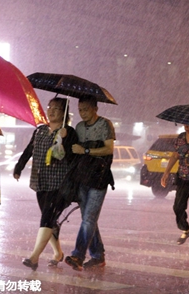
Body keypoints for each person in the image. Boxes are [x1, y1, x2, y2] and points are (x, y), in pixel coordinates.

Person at [14, 97, 78, 271]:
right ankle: (58, 253)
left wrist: (65, 140)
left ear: (64, 113)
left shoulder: (69, 132)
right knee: (48, 219)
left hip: (59, 183)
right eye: (50, 107)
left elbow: (73, 158)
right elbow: (29, 150)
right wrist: (18, 167)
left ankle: (34, 258)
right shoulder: (40, 130)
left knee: (47, 217)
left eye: (57, 108)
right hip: (40, 181)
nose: (51, 111)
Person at [65, 95, 115, 271]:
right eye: (80, 110)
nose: (82, 113)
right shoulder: (78, 127)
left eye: (85, 109)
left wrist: (85, 150)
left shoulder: (105, 125)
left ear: (95, 108)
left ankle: (78, 255)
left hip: (99, 179)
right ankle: (98, 255)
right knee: (88, 219)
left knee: (88, 219)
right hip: (82, 177)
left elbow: (109, 149)